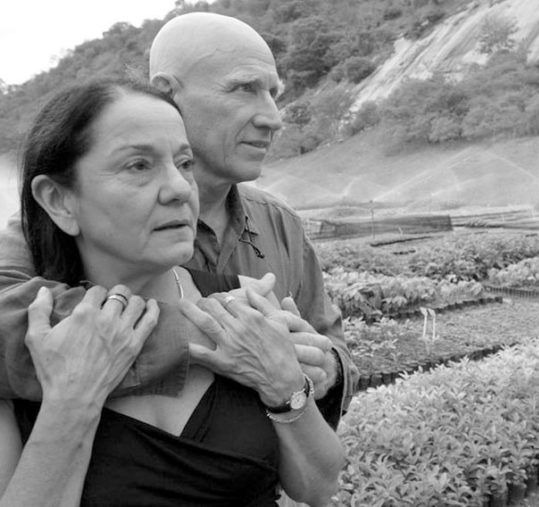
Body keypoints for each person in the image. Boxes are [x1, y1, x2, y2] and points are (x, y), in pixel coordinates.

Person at [0, 12, 357, 428]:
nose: (273, 117)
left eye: (274, 93)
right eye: (244, 89)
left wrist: (323, 367)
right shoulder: (56, 224)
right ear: (166, 93)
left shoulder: (281, 224)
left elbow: (332, 346)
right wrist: (208, 333)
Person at [0, 78, 345, 506]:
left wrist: (286, 387)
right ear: (58, 200)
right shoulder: (26, 348)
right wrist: (72, 404)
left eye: (184, 164)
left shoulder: (247, 306)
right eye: (138, 166)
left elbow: (318, 487)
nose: (181, 189)